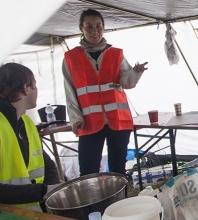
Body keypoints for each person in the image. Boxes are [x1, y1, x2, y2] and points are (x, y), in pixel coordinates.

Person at [0, 63, 61, 208]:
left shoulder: (25, 121)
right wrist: (43, 191)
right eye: (35, 85)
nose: (36, 90)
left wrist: (54, 191)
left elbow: (46, 163)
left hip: (30, 216)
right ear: (26, 88)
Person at [63, 9, 147, 177]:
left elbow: (127, 83)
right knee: (88, 171)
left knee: (118, 170)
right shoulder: (71, 57)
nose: (95, 31)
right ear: (81, 28)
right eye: (89, 26)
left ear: (104, 27)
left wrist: (136, 72)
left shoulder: (116, 54)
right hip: (89, 123)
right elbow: (69, 90)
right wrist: (75, 118)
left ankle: (120, 201)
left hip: (118, 120)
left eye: (99, 26)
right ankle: (95, 203)